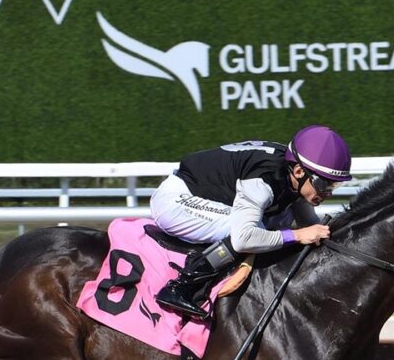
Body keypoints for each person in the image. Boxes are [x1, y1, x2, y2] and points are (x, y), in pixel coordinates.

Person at [150, 124, 352, 318]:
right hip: (176, 201)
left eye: (334, 186)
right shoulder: (263, 179)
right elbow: (243, 239)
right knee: (252, 231)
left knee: (280, 225)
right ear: (299, 171)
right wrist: (298, 235)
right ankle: (180, 287)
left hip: (209, 195)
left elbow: (311, 226)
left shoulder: (293, 175)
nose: (327, 193)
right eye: (323, 184)